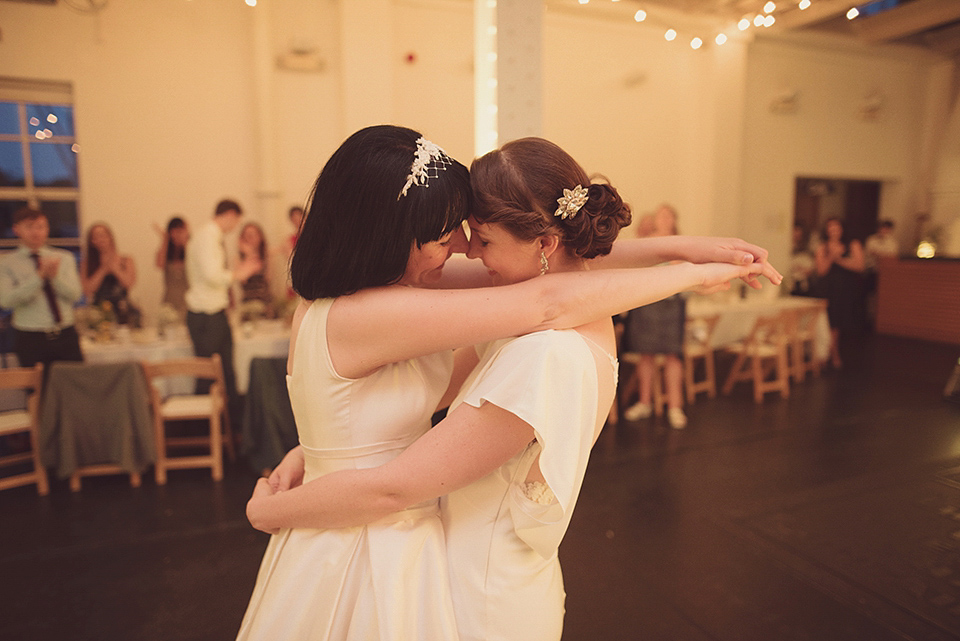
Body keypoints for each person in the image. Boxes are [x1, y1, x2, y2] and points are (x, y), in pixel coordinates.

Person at [238, 129, 779, 641]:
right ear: (388, 237)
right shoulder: (368, 312)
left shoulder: (386, 285)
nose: (458, 247)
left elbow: (561, 268)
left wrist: (684, 248)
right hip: (360, 530)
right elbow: (545, 298)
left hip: (388, 525)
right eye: (441, 233)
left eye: (471, 233)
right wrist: (695, 273)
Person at [185, 199, 261, 424]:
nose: (235, 226)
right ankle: (204, 430)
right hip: (207, 314)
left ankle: (231, 430)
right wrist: (239, 274)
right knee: (211, 375)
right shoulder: (208, 236)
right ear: (230, 214)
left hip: (213, 313)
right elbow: (212, 275)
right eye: (237, 221)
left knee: (226, 373)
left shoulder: (208, 235)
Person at [623, 204, 688, 429]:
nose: (662, 218)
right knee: (646, 355)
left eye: (667, 214)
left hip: (671, 305)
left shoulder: (680, 241)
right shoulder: (647, 240)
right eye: (659, 214)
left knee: (673, 356)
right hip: (648, 304)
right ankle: (644, 402)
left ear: (673, 219)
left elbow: (683, 270)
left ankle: (675, 406)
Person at [0, 206, 83, 372]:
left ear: (47, 229)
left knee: (75, 387)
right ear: (17, 229)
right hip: (30, 337)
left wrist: (54, 278)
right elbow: (6, 301)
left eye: (40, 226)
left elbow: (75, 295)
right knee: (37, 392)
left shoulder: (63, 258)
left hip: (65, 334)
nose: (36, 232)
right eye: (29, 227)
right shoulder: (6, 263)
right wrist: (39, 277)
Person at [814, 216, 865, 369]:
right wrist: (832, 256)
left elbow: (859, 266)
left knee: (839, 321)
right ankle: (830, 353)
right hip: (828, 288)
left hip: (846, 287)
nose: (833, 231)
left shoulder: (853, 244)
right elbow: (821, 271)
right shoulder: (822, 247)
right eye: (830, 228)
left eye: (836, 227)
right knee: (829, 320)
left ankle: (832, 352)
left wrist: (840, 260)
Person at [81, 222, 141, 327]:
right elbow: (87, 290)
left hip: (123, 309)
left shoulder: (126, 260)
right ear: (92, 241)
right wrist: (103, 269)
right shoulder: (87, 263)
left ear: (110, 237)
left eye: (103, 235)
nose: (100, 239)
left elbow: (129, 283)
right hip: (98, 312)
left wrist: (115, 268)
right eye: (95, 237)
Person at [154, 216, 190, 317]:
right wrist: (165, 240)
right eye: (174, 232)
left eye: (180, 231)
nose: (176, 235)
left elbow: (196, 264)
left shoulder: (190, 248)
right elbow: (159, 265)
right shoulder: (166, 250)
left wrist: (185, 241)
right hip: (170, 299)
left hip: (188, 299)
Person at [237, 222, 273, 315]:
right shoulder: (239, 258)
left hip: (265, 301)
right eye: (247, 235)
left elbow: (268, 278)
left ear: (260, 236)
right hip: (248, 303)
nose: (250, 238)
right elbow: (242, 280)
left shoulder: (266, 256)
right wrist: (248, 255)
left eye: (253, 234)